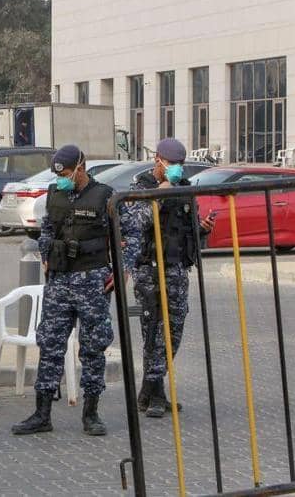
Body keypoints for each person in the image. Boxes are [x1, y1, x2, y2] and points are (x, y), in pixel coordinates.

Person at [11, 145, 120, 436]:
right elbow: (47, 228)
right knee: (50, 345)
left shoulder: (105, 196)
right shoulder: (55, 194)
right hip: (59, 281)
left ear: (80, 169)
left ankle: (91, 414)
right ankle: (42, 414)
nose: (61, 179)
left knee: (93, 347)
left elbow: (129, 234)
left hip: (92, 280)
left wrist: (124, 270)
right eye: (58, 175)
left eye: (66, 174)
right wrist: (46, 253)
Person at [122, 138, 215, 419]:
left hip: (177, 270)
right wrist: (158, 197)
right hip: (149, 270)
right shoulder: (141, 187)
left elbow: (189, 231)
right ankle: (155, 395)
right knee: (153, 333)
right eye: (172, 163)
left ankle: (148, 391)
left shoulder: (185, 190)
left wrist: (203, 229)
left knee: (173, 334)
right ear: (158, 161)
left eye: (180, 164)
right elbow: (134, 224)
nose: (177, 168)